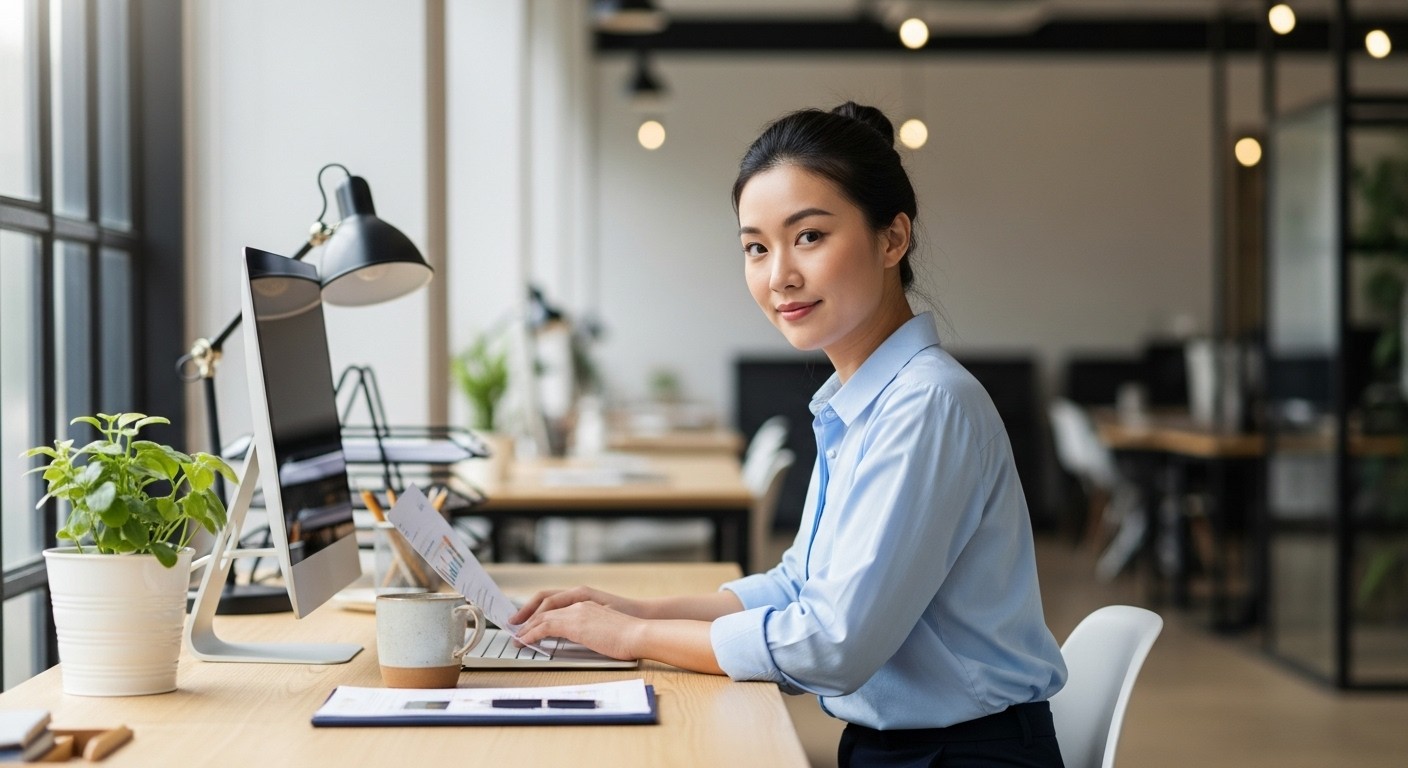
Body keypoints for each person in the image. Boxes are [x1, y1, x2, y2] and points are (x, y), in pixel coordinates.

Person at [512, 101, 1067, 767]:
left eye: (808, 237)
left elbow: (830, 644)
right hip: (906, 749)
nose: (780, 277)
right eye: (756, 247)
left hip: (965, 756)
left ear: (893, 239)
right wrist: (631, 609)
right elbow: (798, 588)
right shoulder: (861, 403)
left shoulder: (926, 406)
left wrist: (633, 635)